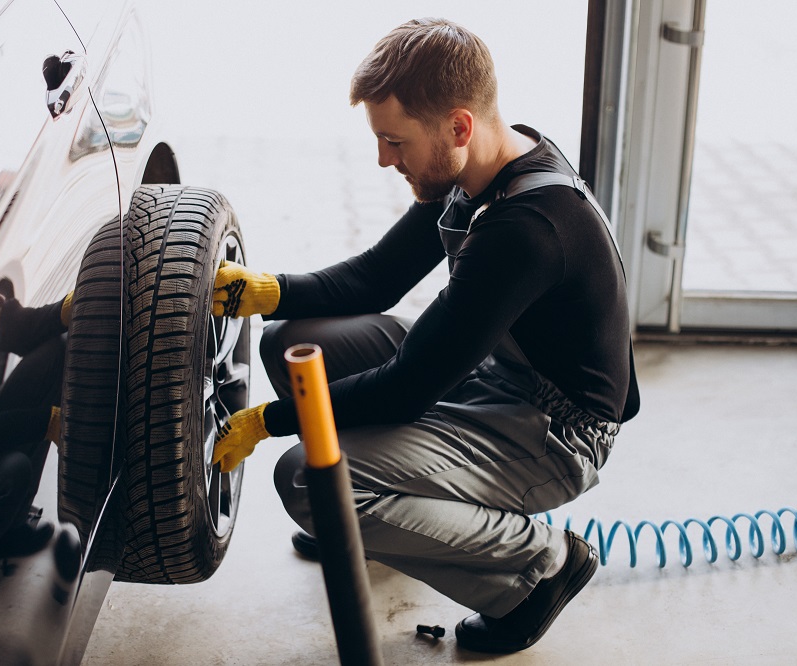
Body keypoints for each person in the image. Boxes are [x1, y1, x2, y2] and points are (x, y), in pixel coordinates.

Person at [211, 17, 639, 654]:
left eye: (394, 141)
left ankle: (539, 567)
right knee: (292, 342)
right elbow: (377, 278)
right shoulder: (485, 164)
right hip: (491, 372)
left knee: (306, 478)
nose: (385, 159)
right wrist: (269, 291)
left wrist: (266, 421)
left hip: (553, 432)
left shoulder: (526, 228)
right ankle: (378, 524)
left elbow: (408, 386)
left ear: (459, 127)